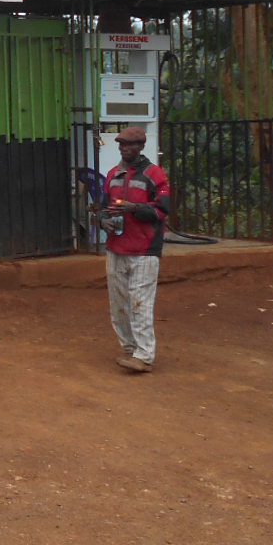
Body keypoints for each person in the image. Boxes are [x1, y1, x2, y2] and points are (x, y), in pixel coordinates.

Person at [99, 125, 171, 373]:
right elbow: (103, 208)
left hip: (144, 250)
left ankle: (144, 355)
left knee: (140, 303)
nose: (124, 148)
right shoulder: (112, 175)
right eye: (121, 144)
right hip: (116, 247)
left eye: (129, 144)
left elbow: (162, 210)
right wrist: (104, 221)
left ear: (140, 146)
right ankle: (130, 349)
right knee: (119, 304)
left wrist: (134, 209)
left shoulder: (154, 175)